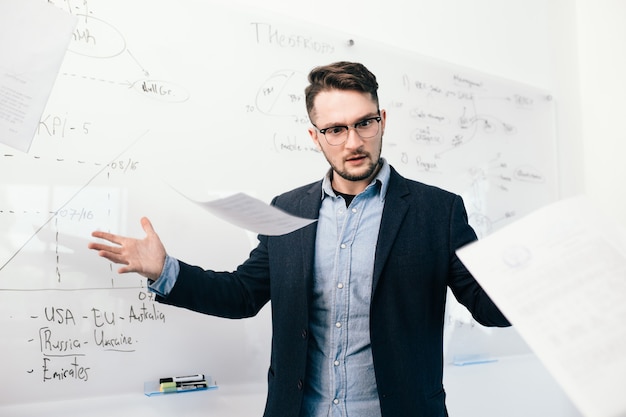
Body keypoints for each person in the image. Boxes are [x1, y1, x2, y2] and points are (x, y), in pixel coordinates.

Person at [88, 61, 510, 417]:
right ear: (315, 136)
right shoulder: (288, 210)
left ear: (382, 120)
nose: (354, 142)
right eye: (335, 130)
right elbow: (242, 295)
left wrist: (548, 279)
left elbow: (486, 305)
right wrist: (165, 271)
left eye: (365, 123)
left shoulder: (437, 211)